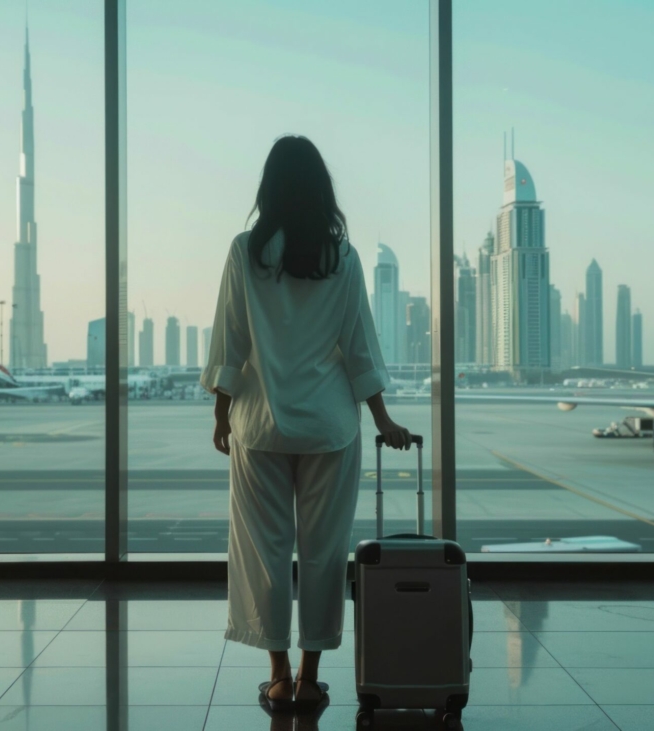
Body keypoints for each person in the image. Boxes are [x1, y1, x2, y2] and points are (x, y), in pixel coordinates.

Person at [201, 135, 410, 712]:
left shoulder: (246, 251)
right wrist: (383, 418)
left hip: (260, 425)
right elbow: (359, 346)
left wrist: (222, 411)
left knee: (264, 554)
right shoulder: (341, 257)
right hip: (329, 428)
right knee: (322, 553)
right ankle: (311, 679)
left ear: (268, 188)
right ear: (322, 188)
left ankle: (277, 676)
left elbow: (230, 338)